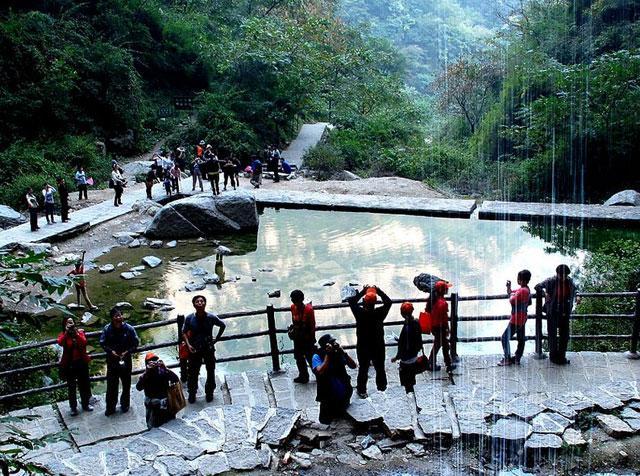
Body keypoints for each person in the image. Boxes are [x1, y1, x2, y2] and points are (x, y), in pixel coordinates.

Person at [348, 285, 392, 398]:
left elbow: (352, 302)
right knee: (380, 368)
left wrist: (363, 291)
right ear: (375, 302)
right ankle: (382, 387)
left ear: (364, 301)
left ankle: (362, 390)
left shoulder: (360, 313)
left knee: (363, 368)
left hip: (363, 346)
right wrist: (379, 290)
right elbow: (388, 302)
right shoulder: (379, 313)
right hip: (378, 345)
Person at [182, 295, 226, 403]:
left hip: (208, 348)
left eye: (202, 301)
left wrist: (216, 339)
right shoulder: (189, 318)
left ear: (205, 304)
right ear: (194, 304)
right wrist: (188, 345)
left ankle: (209, 392)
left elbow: (222, 325)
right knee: (193, 372)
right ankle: (192, 393)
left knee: (210, 371)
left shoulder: (211, 317)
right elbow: (183, 332)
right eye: (198, 302)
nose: (200, 303)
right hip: (194, 349)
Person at [535, 264, 580, 365]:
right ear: (557, 274)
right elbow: (538, 286)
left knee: (565, 335)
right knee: (552, 335)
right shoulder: (550, 281)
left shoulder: (569, 281)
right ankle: (553, 356)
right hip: (553, 311)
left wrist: (577, 296)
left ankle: (561, 356)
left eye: (565, 275)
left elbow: (576, 289)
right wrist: (544, 293)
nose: (563, 278)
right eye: (561, 275)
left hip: (565, 311)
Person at [100, 306, 139, 416]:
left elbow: (135, 343)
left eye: (120, 315)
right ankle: (110, 407)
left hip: (125, 360)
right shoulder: (107, 329)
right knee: (112, 385)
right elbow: (103, 343)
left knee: (126, 384)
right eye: (116, 316)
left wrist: (127, 351)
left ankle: (125, 404)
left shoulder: (129, 329)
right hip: (112, 361)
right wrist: (111, 351)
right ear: (112, 318)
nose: (119, 317)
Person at [312, 334, 357, 424]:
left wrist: (343, 353)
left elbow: (353, 366)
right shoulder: (317, 356)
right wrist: (328, 355)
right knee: (325, 421)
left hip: (343, 393)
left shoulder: (338, 354)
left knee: (343, 418)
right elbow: (320, 371)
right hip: (327, 396)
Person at [57, 317, 94, 416]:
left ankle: (85, 404)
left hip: (81, 362)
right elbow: (60, 342)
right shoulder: (63, 335)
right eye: (68, 323)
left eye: (71, 322)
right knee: (71, 386)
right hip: (69, 364)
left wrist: (76, 334)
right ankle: (73, 407)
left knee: (84, 384)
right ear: (65, 324)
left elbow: (83, 342)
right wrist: (66, 332)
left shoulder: (79, 332)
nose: (70, 324)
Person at [136, 353, 180, 429]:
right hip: (155, 403)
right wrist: (148, 372)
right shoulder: (146, 375)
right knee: (155, 424)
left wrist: (165, 368)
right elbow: (139, 387)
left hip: (164, 401)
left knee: (167, 422)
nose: (154, 363)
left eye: (155, 361)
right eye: (151, 362)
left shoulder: (163, 372)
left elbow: (175, 379)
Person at [498, 270, 532, 366]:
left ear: (520, 280)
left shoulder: (522, 291)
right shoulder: (526, 290)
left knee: (504, 338)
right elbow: (512, 293)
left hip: (516, 319)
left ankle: (507, 358)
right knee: (521, 339)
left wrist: (512, 295)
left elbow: (512, 300)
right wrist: (509, 287)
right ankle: (517, 358)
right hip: (523, 318)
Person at [391, 302, 424, 394]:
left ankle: (409, 396)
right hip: (414, 356)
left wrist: (396, 357)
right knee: (412, 379)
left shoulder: (407, 327)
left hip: (406, 359)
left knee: (405, 382)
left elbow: (403, 346)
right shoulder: (416, 322)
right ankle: (412, 394)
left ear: (402, 313)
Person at [427, 280, 455, 374]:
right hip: (440, 327)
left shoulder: (433, 301)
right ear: (443, 291)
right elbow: (444, 318)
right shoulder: (442, 303)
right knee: (442, 346)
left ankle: (447, 364)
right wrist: (447, 329)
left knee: (442, 345)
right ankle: (434, 363)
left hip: (435, 327)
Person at [289, 290, 316, 384]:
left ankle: (319, 374)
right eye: (293, 300)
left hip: (307, 338)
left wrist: (312, 338)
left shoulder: (309, 310)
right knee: (299, 358)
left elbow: (312, 326)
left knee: (310, 358)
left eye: (296, 300)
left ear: (302, 300)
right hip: (298, 338)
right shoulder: (293, 308)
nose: (294, 302)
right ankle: (303, 376)